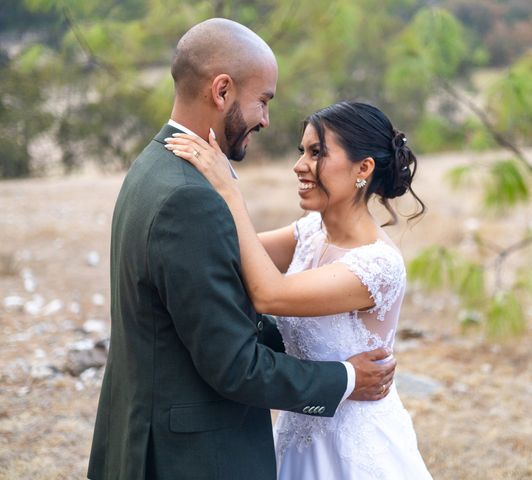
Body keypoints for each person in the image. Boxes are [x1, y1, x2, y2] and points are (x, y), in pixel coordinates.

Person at [87, 19, 396, 480]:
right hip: (190, 457)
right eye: (263, 101)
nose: (266, 119)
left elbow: (221, 300)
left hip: (150, 435)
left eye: (316, 152)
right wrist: (346, 378)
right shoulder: (190, 197)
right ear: (222, 90)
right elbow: (234, 365)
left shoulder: (151, 168)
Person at [165, 101, 433, 479]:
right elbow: (234, 254)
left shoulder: (377, 265)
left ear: (364, 168)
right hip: (300, 431)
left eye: (317, 152)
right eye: (302, 152)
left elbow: (269, 294)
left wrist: (229, 192)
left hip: (354, 446)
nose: (300, 165)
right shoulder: (310, 232)